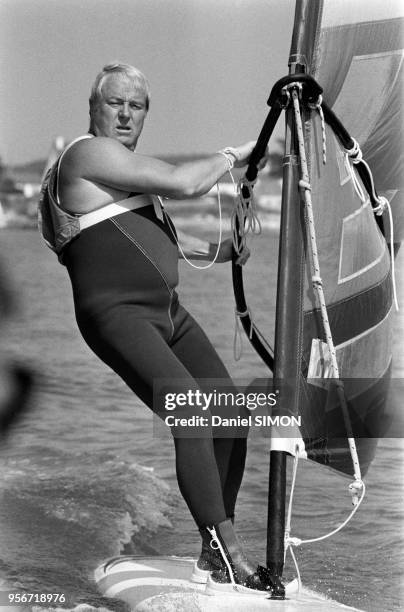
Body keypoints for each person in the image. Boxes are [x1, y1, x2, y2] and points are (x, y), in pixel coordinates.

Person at [39, 63, 273, 595]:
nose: (124, 114)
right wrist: (244, 151)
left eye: (137, 106)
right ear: (93, 107)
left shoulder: (125, 173)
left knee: (230, 413)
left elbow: (166, 245)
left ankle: (214, 554)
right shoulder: (86, 154)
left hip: (167, 312)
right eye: (115, 103)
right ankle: (229, 552)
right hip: (118, 316)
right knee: (189, 407)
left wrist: (224, 251)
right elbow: (190, 182)